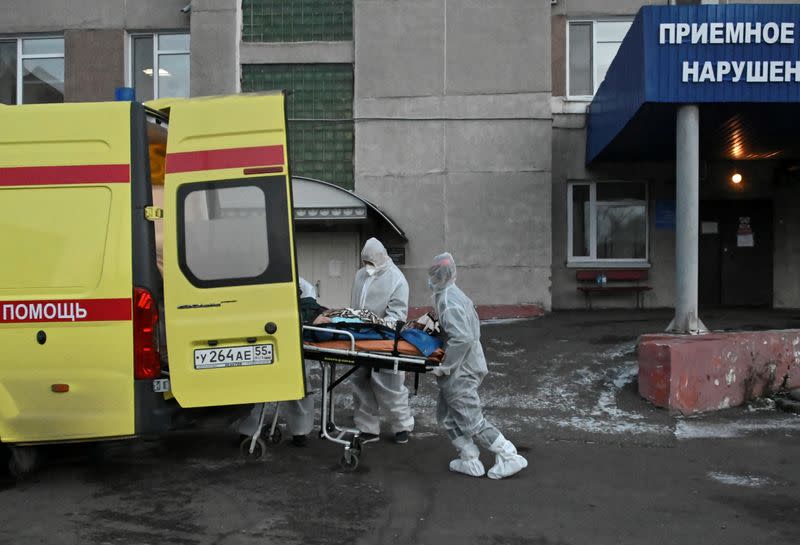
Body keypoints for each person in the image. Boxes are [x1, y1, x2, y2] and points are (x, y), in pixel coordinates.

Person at [427, 253, 527, 479]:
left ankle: (509, 456)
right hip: (467, 365)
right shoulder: (451, 295)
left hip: (461, 370)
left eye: (433, 274)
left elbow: (461, 338)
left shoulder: (448, 302)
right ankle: (469, 458)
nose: (430, 279)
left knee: (471, 420)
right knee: (447, 415)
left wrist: (446, 366)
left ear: (438, 276)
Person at [238, 277, 317, 447]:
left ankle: (300, 432)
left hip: (293, 341)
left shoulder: (304, 287)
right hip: (265, 337)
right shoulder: (256, 281)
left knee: (297, 385)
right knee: (257, 386)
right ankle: (248, 430)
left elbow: (308, 314)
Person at [350, 238, 414, 444]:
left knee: (390, 385)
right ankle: (367, 427)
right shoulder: (360, 275)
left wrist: (375, 325)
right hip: (359, 338)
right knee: (360, 381)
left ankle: (402, 426)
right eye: (364, 262)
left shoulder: (397, 280)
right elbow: (355, 304)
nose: (367, 267)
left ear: (380, 258)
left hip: (384, 339)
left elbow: (397, 315)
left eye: (370, 262)